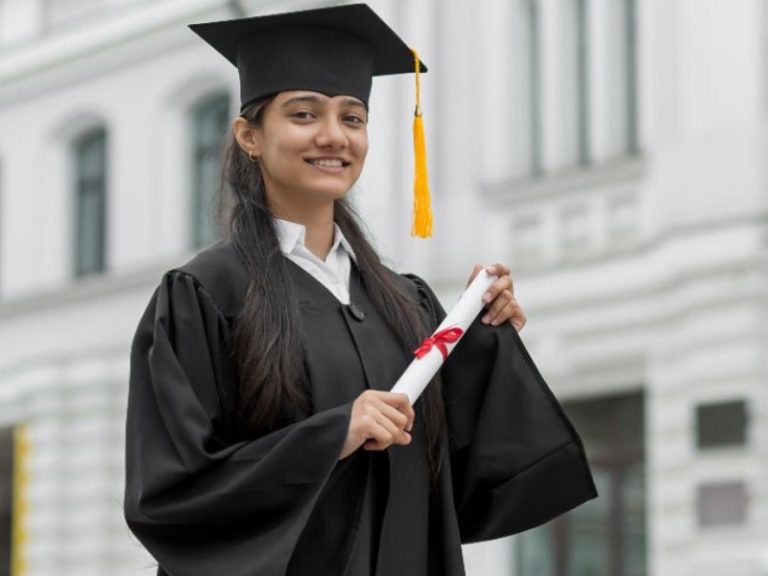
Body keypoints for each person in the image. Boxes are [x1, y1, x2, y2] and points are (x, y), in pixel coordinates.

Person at [123, 4, 597, 576]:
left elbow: (470, 481)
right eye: (303, 114)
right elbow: (170, 497)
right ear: (249, 136)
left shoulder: (405, 301)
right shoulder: (204, 296)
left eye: (353, 117)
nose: (333, 136)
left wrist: (480, 338)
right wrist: (331, 436)